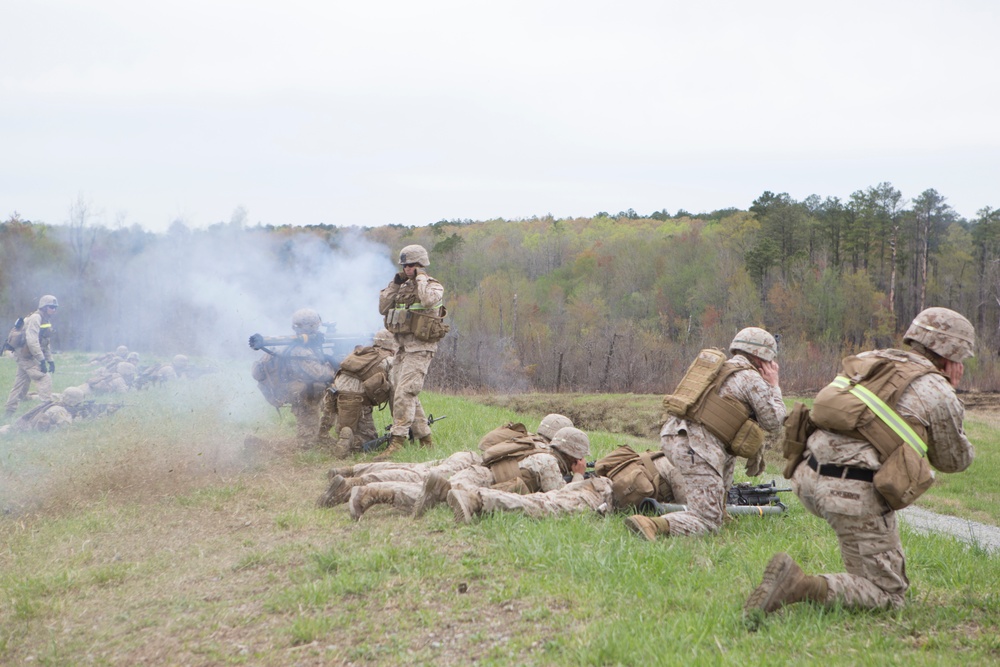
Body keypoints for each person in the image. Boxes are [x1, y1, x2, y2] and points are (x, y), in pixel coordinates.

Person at [745, 307, 976, 616]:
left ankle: (849, 581)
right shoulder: (937, 389)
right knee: (889, 596)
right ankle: (797, 585)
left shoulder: (870, 360)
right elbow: (953, 461)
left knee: (864, 572)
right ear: (952, 357)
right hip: (851, 494)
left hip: (806, 475)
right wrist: (951, 395)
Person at [625, 327, 786, 541]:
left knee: (730, 448)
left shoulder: (718, 369)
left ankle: (721, 512)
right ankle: (653, 524)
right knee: (708, 523)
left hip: (676, 437)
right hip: (697, 449)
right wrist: (774, 386)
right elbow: (774, 422)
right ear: (762, 358)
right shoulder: (750, 379)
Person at [446, 444, 685, 524]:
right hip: (602, 494)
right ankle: (477, 500)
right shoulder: (680, 465)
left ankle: (476, 498)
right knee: (546, 506)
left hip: (601, 488)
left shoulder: (659, 456)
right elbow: (693, 509)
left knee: (543, 502)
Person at [411, 414, 575, 516]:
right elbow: (559, 496)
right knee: (431, 493)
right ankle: (387, 490)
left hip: (476, 466)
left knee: (417, 478)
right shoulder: (547, 456)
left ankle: (386, 478)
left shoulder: (527, 439)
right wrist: (579, 475)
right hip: (485, 479)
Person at [375, 244, 448, 459]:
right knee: (402, 391)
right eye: (405, 265)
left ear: (421, 265)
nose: (408, 269)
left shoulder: (433, 286)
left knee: (405, 392)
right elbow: (382, 307)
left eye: (412, 265)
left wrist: (421, 278)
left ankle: (397, 441)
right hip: (402, 348)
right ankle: (426, 440)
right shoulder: (402, 287)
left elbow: (427, 301)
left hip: (421, 348)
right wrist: (394, 285)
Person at [251, 309, 337, 446]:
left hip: (300, 389)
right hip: (303, 393)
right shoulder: (299, 350)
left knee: (312, 419)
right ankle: (305, 447)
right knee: (308, 430)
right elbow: (321, 374)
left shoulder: (296, 345)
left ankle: (319, 439)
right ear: (314, 326)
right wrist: (335, 366)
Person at [320, 328, 397, 457]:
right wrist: (399, 423)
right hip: (357, 401)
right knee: (369, 439)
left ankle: (324, 436)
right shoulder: (389, 360)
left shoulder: (361, 354)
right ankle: (353, 442)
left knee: (344, 430)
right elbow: (396, 393)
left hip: (334, 395)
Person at [4, 295, 59, 418]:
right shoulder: (36, 318)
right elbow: (32, 340)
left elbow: (44, 342)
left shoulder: (45, 320)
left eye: (55, 308)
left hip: (26, 355)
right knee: (44, 378)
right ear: (44, 307)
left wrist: (50, 360)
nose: (54, 310)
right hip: (25, 355)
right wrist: (41, 360)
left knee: (20, 384)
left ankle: (8, 412)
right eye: (51, 307)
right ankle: (46, 410)